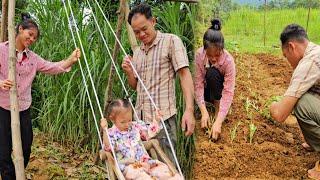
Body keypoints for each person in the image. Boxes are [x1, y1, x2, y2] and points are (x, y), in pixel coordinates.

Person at [0, 13, 80, 180]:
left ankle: (16, 175)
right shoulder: (2, 50)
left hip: (23, 110)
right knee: (3, 151)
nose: (32, 39)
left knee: (26, 147)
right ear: (20, 29)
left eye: (35, 38)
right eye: (30, 34)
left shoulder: (33, 59)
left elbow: (53, 67)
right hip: (3, 108)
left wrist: (70, 60)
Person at [121, 3, 195, 161]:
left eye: (144, 29)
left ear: (153, 21)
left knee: (167, 168)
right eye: (136, 32)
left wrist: (189, 110)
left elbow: (184, 74)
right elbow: (136, 86)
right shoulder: (138, 53)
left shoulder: (170, 42)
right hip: (140, 123)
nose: (141, 34)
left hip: (162, 122)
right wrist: (129, 72)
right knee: (145, 170)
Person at [270, 24, 320, 179]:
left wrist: (273, 106)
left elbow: (280, 115)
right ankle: (314, 141)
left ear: (291, 46)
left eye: (285, 56)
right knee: (304, 94)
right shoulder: (316, 51)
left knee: (300, 104)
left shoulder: (308, 63)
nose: (287, 61)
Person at [100, 99, 181, 180]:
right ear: (112, 119)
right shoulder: (111, 133)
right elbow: (108, 147)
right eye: (123, 122)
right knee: (142, 176)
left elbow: (148, 134)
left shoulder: (136, 126)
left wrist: (156, 120)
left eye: (129, 120)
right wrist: (104, 130)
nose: (127, 124)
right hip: (130, 167)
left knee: (163, 170)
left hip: (146, 161)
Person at [194, 19, 236, 140]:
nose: (213, 59)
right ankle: (207, 107)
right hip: (207, 89)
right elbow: (198, 84)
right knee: (202, 78)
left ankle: (217, 109)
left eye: (217, 55)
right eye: (209, 55)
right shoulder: (199, 55)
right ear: (204, 49)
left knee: (213, 73)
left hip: (220, 92)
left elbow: (228, 92)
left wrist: (218, 121)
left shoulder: (228, 61)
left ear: (222, 49)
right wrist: (203, 111)